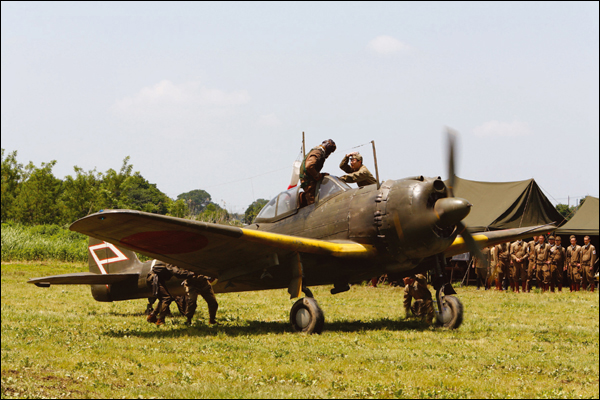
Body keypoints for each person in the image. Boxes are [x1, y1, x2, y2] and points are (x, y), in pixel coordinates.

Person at [146, 261, 194, 326]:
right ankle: (160, 320)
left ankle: (152, 316)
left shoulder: (169, 261)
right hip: (154, 279)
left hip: (157, 278)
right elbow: (178, 273)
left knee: (164, 298)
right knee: (166, 298)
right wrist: (192, 274)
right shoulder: (170, 262)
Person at [299, 139, 336, 206]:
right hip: (309, 184)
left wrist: (321, 175)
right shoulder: (318, 152)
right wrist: (318, 176)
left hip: (310, 182)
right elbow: (309, 166)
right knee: (314, 206)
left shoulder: (316, 151)